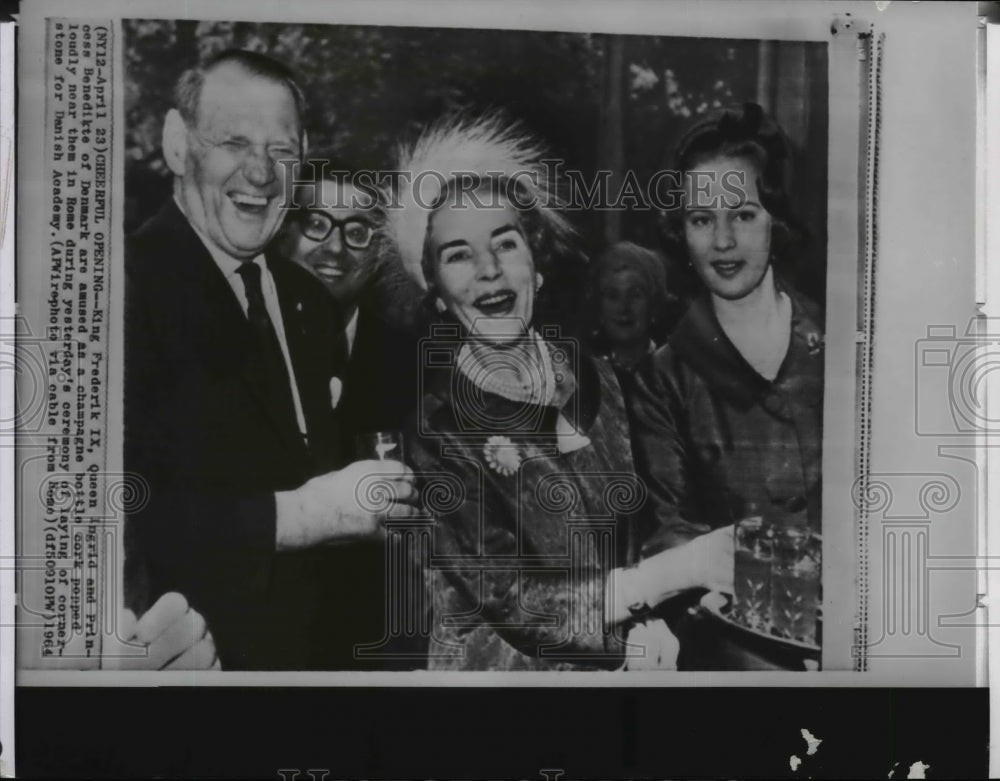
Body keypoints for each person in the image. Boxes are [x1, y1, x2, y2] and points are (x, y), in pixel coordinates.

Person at [387, 115, 732, 671]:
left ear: (536, 264)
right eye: (458, 254)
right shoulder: (437, 429)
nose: (489, 270)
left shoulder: (600, 379)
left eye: (505, 242)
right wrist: (664, 582)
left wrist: (679, 602)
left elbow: (659, 515)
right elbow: (510, 602)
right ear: (437, 294)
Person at [124, 50, 418, 670]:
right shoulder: (115, 291)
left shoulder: (306, 297)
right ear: (178, 145)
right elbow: (114, 518)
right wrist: (301, 518)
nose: (260, 173)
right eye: (234, 141)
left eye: (282, 152)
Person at [628, 103, 824, 670]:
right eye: (700, 219)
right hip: (736, 653)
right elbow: (671, 533)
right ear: (679, 232)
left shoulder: (847, 350)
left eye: (742, 215)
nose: (722, 240)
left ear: (776, 221)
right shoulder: (660, 379)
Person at [272, 152, 427, 667]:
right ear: (281, 230)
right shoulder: (225, 353)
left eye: (357, 229)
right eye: (316, 223)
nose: (335, 247)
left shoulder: (419, 365)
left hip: (379, 652)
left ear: (380, 252)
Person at [589, 241, 676, 374]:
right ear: (599, 306)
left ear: (654, 305)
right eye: (612, 296)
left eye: (635, 296)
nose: (623, 308)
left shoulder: (674, 373)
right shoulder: (588, 372)